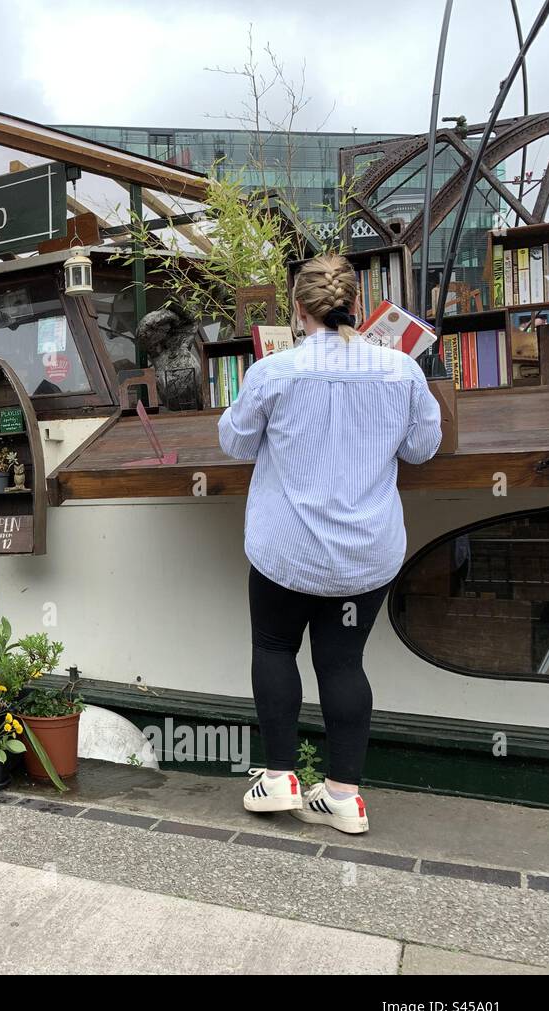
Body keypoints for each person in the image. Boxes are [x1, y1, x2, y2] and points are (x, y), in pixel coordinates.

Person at [218, 254, 442, 834]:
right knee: (343, 662)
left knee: (273, 649)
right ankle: (343, 796)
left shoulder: (274, 372)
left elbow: (237, 444)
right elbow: (422, 449)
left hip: (287, 551)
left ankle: (280, 779)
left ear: (297, 311)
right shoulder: (400, 372)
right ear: (359, 308)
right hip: (363, 556)